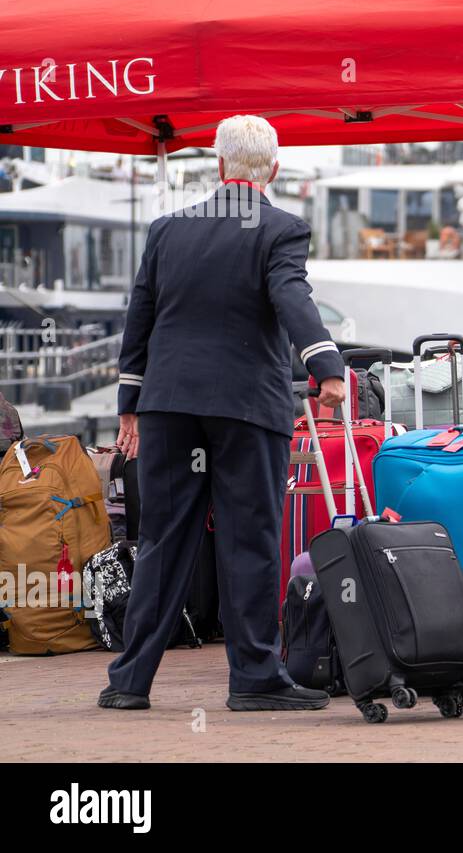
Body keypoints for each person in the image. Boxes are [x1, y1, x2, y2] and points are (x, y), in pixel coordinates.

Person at [99, 115, 346, 712]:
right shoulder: (280, 229)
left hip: (169, 405)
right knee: (249, 539)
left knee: (162, 538)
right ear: (275, 170)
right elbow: (292, 296)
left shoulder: (168, 230)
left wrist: (130, 404)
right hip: (244, 409)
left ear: (218, 167)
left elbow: (141, 317)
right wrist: (326, 365)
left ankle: (130, 681)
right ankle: (254, 677)